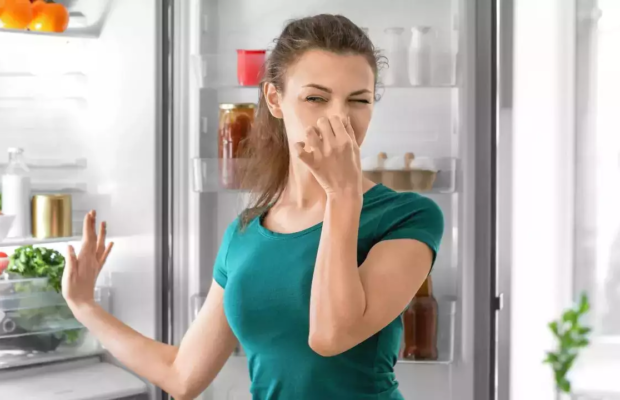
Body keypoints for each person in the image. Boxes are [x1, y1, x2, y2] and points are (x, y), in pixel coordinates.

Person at [62, 14, 444, 400]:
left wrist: (343, 197)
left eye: (358, 100)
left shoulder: (407, 217)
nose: (338, 117)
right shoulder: (245, 233)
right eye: (316, 98)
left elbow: (331, 335)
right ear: (275, 100)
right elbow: (182, 376)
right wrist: (84, 306)